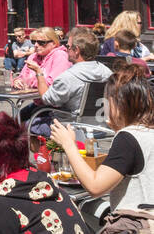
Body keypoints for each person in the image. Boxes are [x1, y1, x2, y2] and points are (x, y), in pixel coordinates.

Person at [52, 62, 154, 209]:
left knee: (80, 210)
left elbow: (95, 187)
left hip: (137, 226)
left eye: (107, 99)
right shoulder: (146, 132)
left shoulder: (128, 138)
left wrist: (69, 144)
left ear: (120, 103)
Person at [23, 26, 111, 133]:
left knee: (30, 124)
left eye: (68, 47)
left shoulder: (68, 77)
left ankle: (44, 150)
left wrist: (39, 73)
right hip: (101, 126)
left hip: (73, 126)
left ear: (76, 50)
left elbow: (47, 99)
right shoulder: (108, 73)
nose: (66, 49)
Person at [15, 27, 70, 91]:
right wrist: (17, 82)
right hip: (37, 98)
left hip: (56, 100)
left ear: (54, 43)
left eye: (41, 42)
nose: (35, 45)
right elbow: (22, 77)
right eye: (33, 42)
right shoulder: (33, 56)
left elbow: (53, 85)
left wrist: (30, 82)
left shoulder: (60, 56)